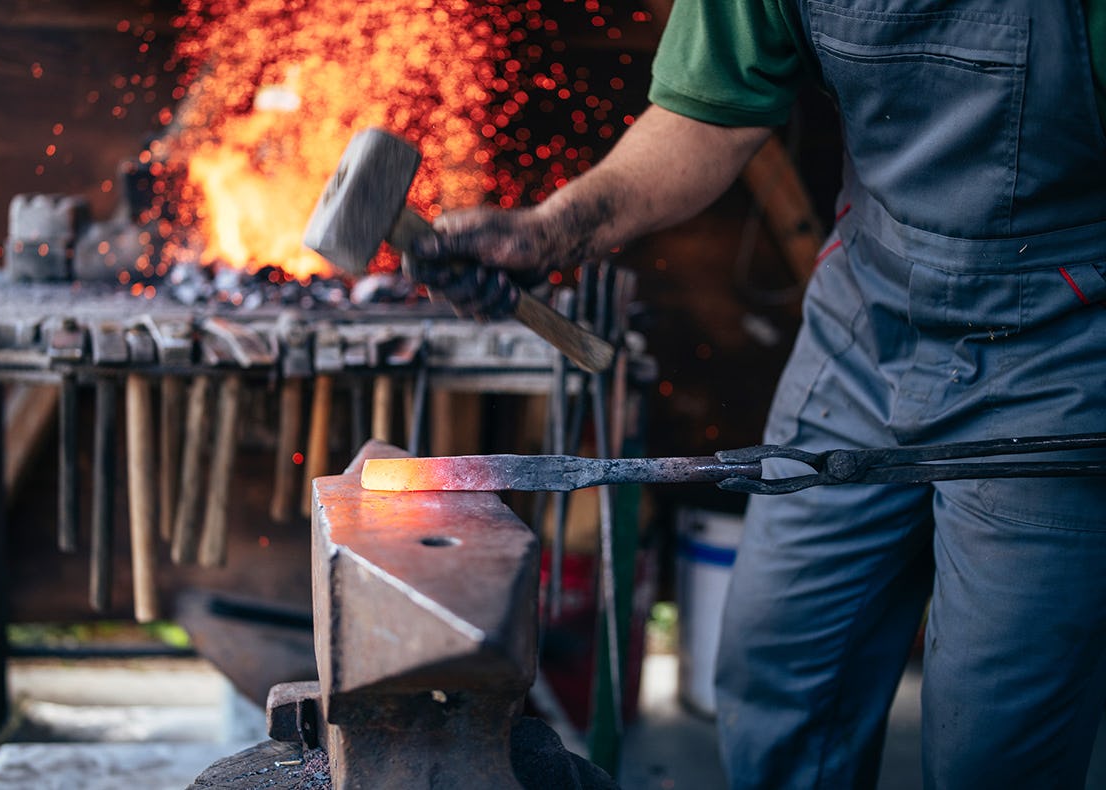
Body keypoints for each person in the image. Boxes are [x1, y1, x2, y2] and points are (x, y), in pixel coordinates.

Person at [405, 0, 1106, 786]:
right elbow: (708, 113)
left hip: (1064, 346)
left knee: (998, 739)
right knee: (781, 667)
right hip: (865, 321)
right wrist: (552, 230)